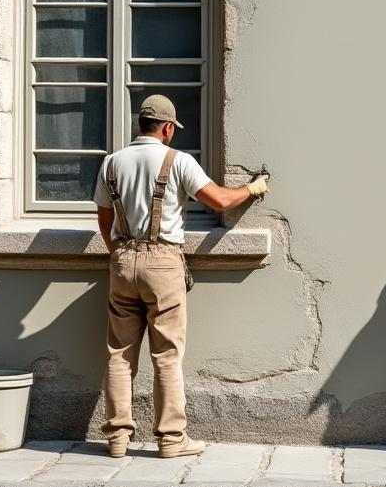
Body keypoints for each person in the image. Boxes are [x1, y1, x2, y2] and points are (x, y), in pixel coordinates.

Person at [94, 94, 269, 459]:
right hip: (163, 262)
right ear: (168, 128)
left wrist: (121, 255)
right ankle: (172, 439)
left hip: (123, 260)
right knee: (167, 355)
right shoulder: (178, 161)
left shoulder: (112, 163)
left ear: (141, 125)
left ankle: (117, 439)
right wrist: (253, 189)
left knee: (119, 355)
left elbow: (104, 218)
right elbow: (218, 200)